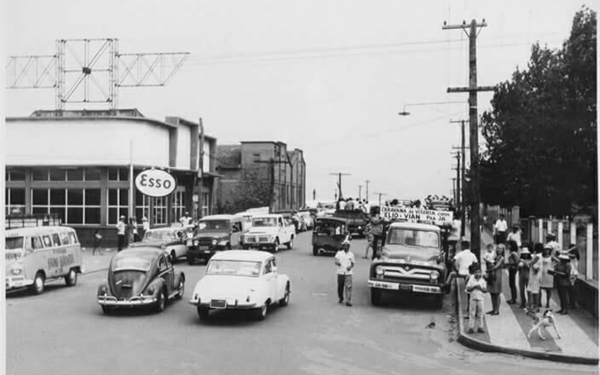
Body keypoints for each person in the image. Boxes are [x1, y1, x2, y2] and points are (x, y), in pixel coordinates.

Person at [466, 266, 487, 334]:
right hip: (473, 298)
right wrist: (474, 287)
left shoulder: (482, 280)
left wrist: (480, 288)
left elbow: (485, 290)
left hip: (480, 298)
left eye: (479, 272)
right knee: (472, 313)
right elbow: (468, 289)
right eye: (476, 272)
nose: (478, 274)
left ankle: (480, 327)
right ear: (474, 273)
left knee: (480, 313)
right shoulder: (471, 280)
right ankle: (471, 327)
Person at [334, 238, 355, 307]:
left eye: (347, 245)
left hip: (348, 273)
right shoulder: (339, 253)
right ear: (343, 246)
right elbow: (336, 260)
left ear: (349, 246)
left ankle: (348, 300)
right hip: (340, 272)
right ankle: (341, 297)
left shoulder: (351, 255)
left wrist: (350, 267)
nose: (346, 247)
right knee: (340, 286)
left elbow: (352, 263)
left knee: (348, 287)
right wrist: (337, 263)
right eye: (344, 245)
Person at [487, 243, 505, 315]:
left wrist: (490, 265)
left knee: (497, 293)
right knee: (492, 292)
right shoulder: (495, 256)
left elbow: (495, 266)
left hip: (497, 275)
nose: (498, 250)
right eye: (498, 248)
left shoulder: (502, 258)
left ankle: (497, 310)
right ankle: (493, 308)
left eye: (500, 248)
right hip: (492, 274)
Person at [527, 243, 544, 312]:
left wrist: (531, 263)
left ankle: (536, 307)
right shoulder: (539, 255)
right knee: (534, 291)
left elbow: (531, 263)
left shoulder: (537, 256)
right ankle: (534, 305)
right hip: (536, 275)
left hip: (535, 276)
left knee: (535, 291)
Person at [505, 240, 520, 304]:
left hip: (513, 269)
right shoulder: (511, 252)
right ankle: (513, 297)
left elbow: (517, 261)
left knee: (512, 283)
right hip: (511, 269)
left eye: (509, 245)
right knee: (511, 283)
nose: (507, 246)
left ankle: (513, 299)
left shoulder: (513, 253)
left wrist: (511, 264)